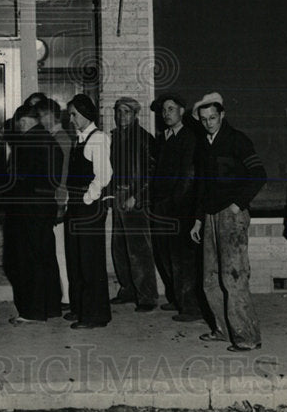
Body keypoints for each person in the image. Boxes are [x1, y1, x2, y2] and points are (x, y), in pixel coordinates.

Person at [190, 92, 266, 352]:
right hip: (209, 216)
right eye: (204, 119)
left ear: (222, 115)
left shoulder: (238, 140)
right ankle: (222, 330)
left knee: (233, 277)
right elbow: (201, 186)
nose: (209, 123)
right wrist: (198, 220)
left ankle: (247, 337)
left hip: (231, 215)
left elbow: (259, 174)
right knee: (210, 279)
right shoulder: (203, 144)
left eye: (213, 117)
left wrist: (238, 204)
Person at [3, 105, 63, 324]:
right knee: (45, 257)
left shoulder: (26, 143)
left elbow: (18, 181)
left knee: (28, 261)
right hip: (45, 207)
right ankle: (51, 307)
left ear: (23, 122)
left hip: (27, 210)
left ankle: (31, 312)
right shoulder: (49, 140)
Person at [63, 94, 112, 329]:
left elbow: (103, 175)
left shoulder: (98, 138)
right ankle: (80, 308)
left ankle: (95, 315)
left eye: (74, 114)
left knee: (90, 261)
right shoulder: (79, 139)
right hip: (76, 205)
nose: (71, 119)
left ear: (85, 113)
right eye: (70, 114)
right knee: (76, 258)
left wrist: (87, 198)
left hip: (88, 207)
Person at [150, 93, 200, 322]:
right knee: (165, 255)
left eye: (171, 109)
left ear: (182, 111)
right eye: (164, 110)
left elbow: (187, 177)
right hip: (161, 208)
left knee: (182, 259)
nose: (166, 113)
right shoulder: (163, 138)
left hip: (179, 210)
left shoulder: (189, 138)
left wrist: (174, 204)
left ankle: (190, 307)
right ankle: (177, 298)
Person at [108, 97, 158, 313]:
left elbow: (153, 173)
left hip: (135, 198)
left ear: (136, 115)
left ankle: (147, 297)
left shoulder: (144, 138)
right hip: (118, 196)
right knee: (119, 248)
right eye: (119, 112)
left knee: (139, 249)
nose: (122, 116)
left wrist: (136, 196)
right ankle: (127, 290)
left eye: (127, 112)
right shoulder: (115, 137)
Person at [35, 99, 72, 306]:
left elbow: (63, 175)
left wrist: (60, 202)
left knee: (60, 251)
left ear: (50, 115)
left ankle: (67, 295)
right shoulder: (54, 137)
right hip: (56, 198)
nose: (39, 121)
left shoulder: (60, 138)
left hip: (60, 198)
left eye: (40, 116)